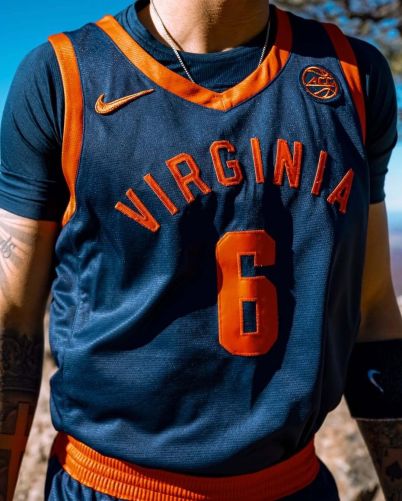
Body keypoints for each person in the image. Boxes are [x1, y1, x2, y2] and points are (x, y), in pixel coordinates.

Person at [0, 0, 401, 499]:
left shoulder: (354, 73)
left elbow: (374, 310)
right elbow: (11, 319)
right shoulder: (64, 75)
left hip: (294, 484)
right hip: (109, 485)